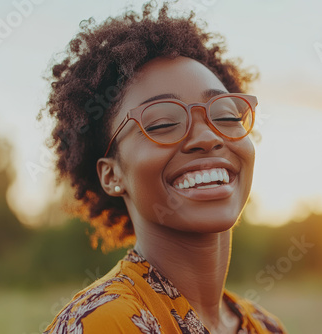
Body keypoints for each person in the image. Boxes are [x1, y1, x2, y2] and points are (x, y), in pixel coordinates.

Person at [42, 2, 287, 333]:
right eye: (161, 123)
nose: (207, 137)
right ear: (111, 175)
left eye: (226, 115)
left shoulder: (265, 326)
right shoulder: (106, 322)